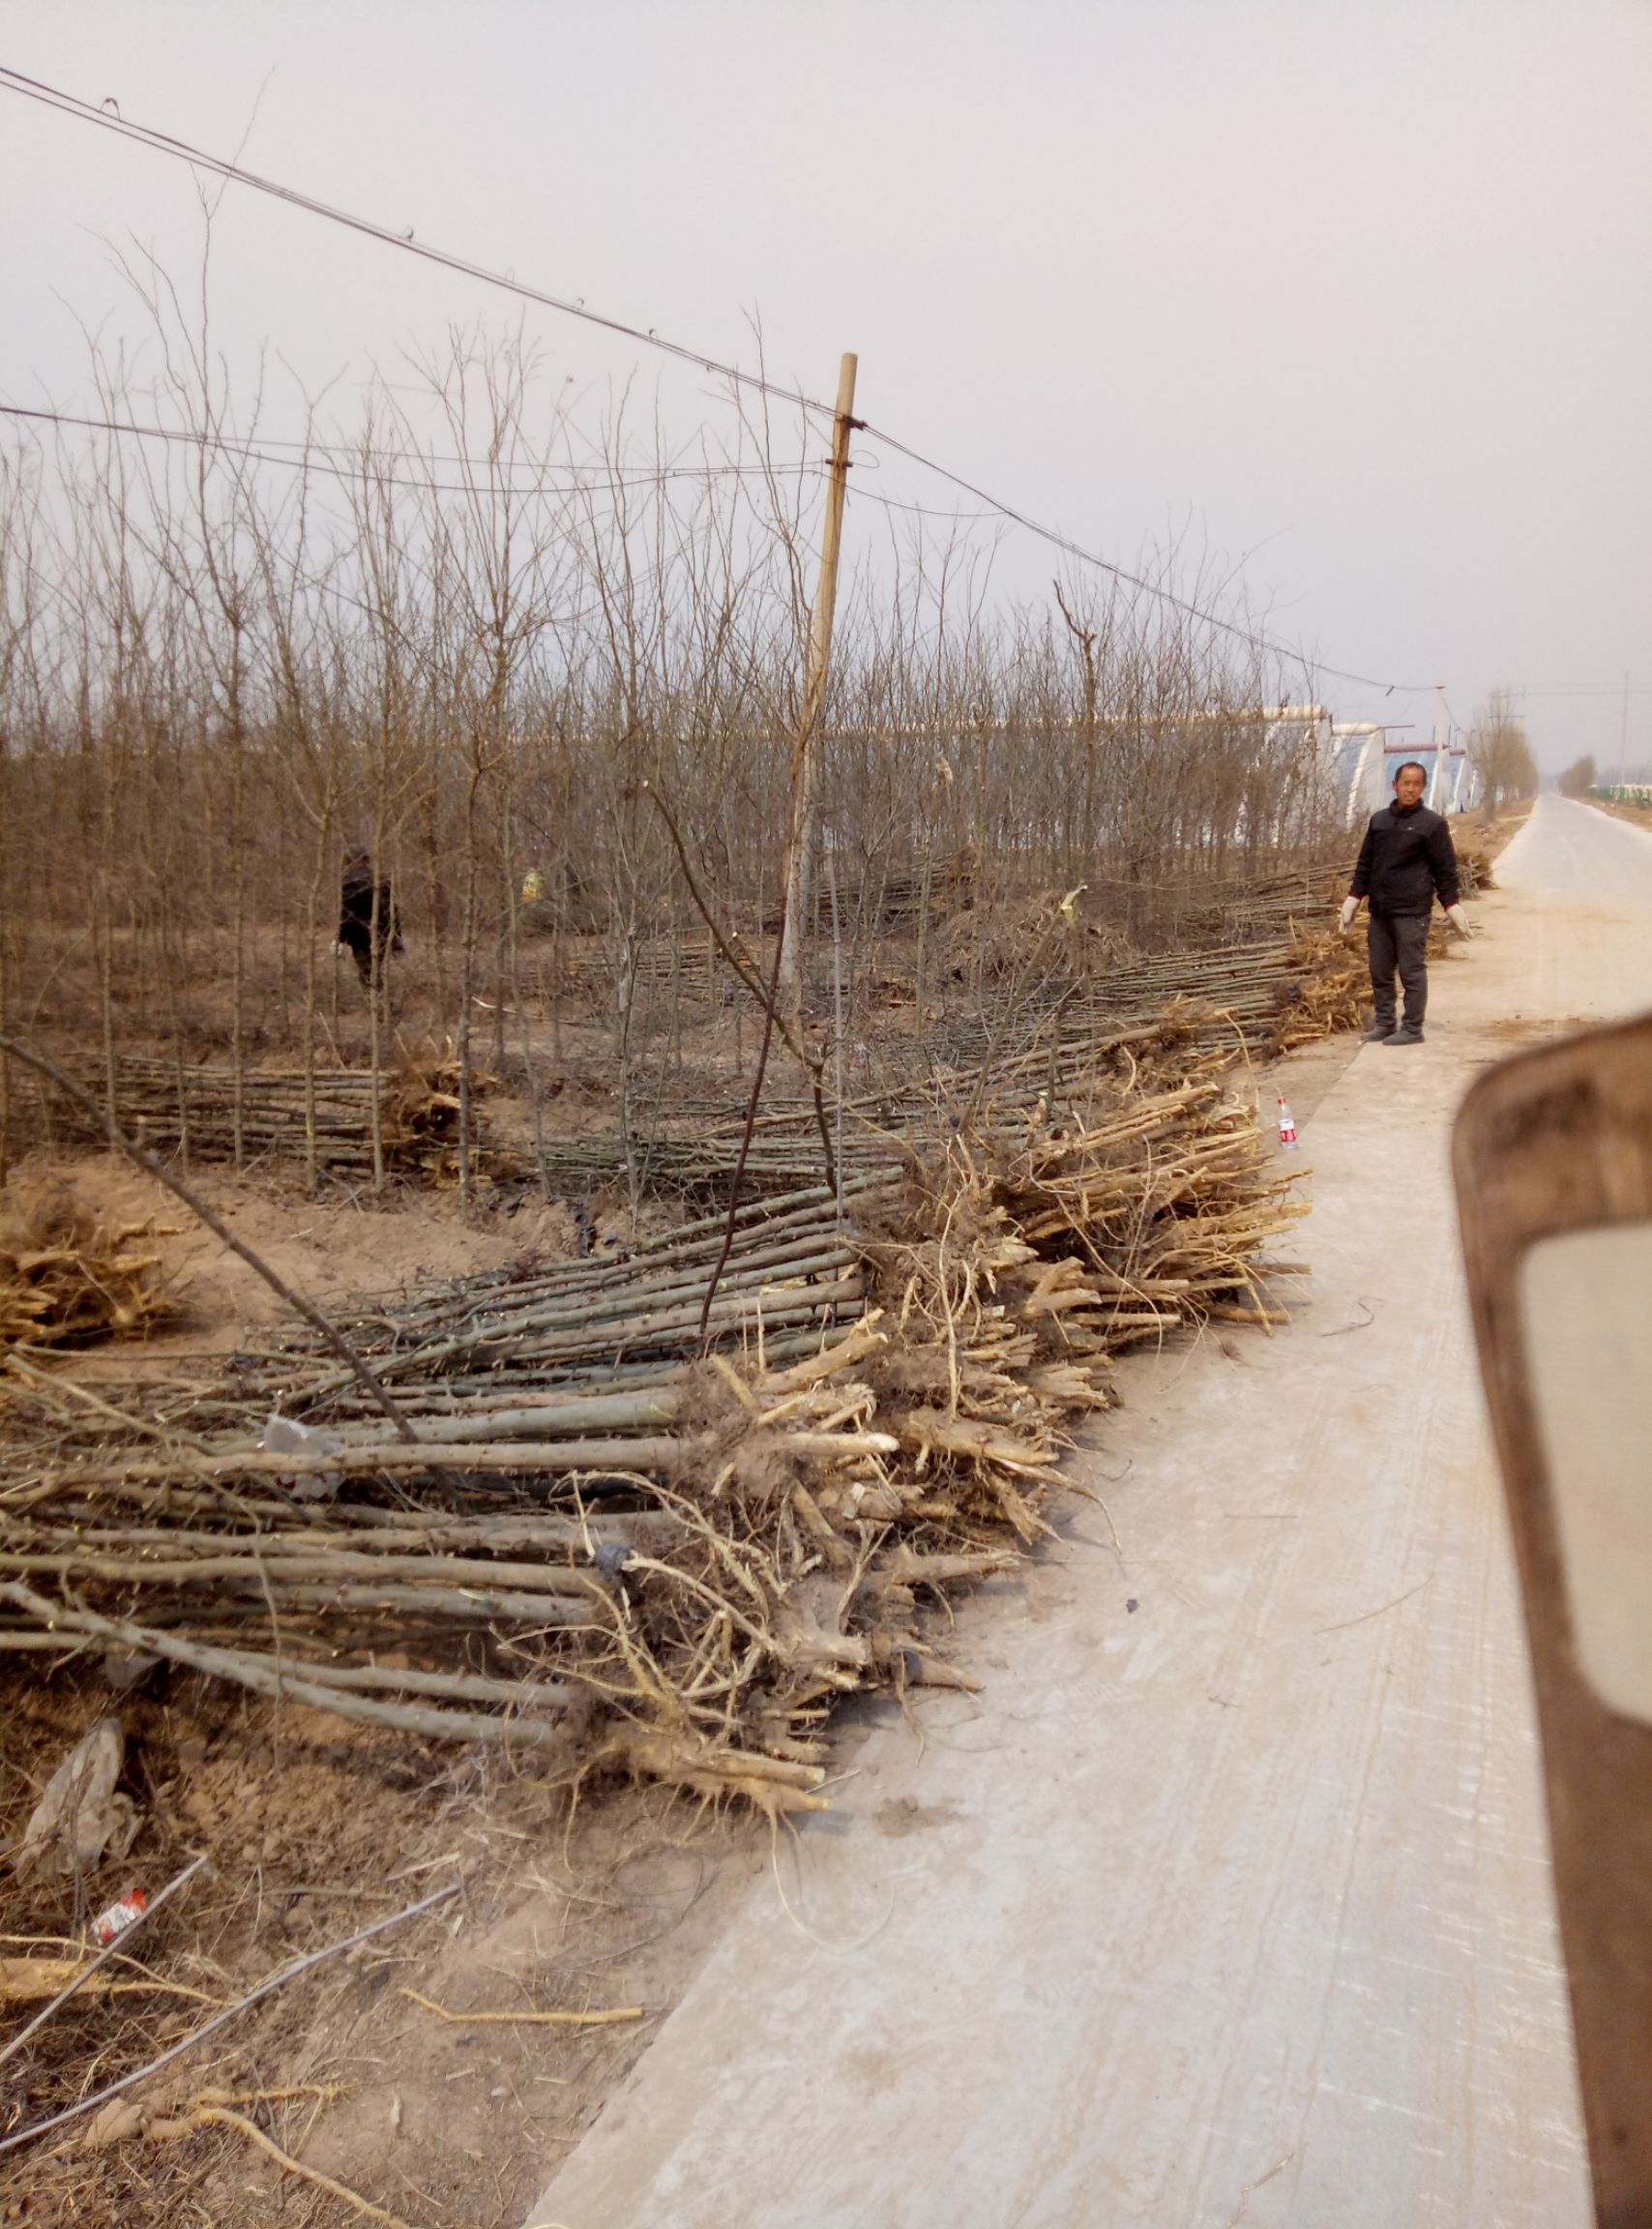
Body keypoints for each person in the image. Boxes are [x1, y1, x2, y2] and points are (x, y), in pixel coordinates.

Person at [1340, 759, 1472, 1045]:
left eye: (1416, 784)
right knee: (1379, 970)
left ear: (1422, 787)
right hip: (1381, 910)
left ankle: (1412, 1028)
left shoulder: (1432, 824)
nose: (1410, 789)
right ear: (1395, 785)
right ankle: (1386, 1022)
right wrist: (1353, 897)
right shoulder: (1379, 822)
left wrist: (1451, 905)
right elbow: (1366, 863)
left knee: (1411, 971)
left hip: (1412, 911)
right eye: (1405, 783)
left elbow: (1444, 869)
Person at [337, 846, 402, 991]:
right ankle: (382, 1005)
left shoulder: (348, 883)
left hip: (359, 936)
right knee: (374, 971)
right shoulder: (382, 878)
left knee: (367, 974)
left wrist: (340, 939)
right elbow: (393, 910)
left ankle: (380, 1007)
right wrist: (396, 935)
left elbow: (347, 914)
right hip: (383, 933)